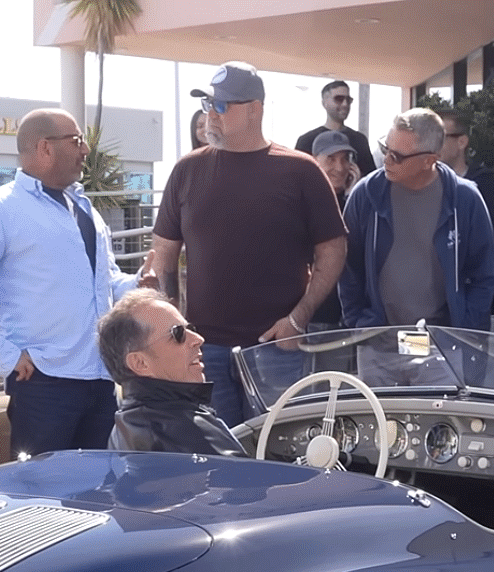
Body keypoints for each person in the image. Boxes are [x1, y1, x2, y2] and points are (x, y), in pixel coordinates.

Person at [146, 62, 346, 428]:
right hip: (203, 350)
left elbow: (333, 250)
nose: (211, 115)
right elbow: (164, 251)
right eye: (207, 105)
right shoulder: (187, 170)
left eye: (221, 107)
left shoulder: (300, 171)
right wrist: (173, 319)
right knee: (217, 459)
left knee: (279, 460)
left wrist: (298, 319)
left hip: (275, 348)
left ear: (255, 109)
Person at [0, 109, 137, 456]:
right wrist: (2, 355)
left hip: (99, 379)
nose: (85, 151)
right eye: (77, 141)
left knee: (98, 496)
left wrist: (143, 282)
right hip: (43, 383)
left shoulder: (84, 210)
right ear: (45, 148)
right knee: (42, 498)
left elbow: (106, 283)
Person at [337, 107, 494, 331]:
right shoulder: (367, 194)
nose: (387, 160)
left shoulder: (465, 199)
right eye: (386, 148)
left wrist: (466, 328)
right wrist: (359, 321)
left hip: (443, 342)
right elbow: (347, 264)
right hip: (377, 338)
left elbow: (483, 274)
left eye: (397, 156)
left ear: (429, 159)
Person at [99, 288, 246, 456]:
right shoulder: (183, 432)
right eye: (178, 333)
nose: (198, 339)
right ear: (140, 363)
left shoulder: (128, 423)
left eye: (191, 328)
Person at [307, 130, 360, 331]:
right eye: (331, 159)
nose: (339, 167)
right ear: (314, 161)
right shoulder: (305, 199)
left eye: (345, 159)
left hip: (350, 315)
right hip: (315, 314)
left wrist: (352, 196)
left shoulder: (356, 200)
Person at [436, 108, 494, 245]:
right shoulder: (421, 183)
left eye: (440, 137)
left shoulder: (485, 183)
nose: (432, 144)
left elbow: (487, 235)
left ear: (461, 142)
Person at [294, 80, 377, 175]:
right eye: (339, 99)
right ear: (324, 103)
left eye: (348, 100)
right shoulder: (306, 140)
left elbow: (370, 176)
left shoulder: (359, 140)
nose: (345, 104)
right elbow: (296, 177)